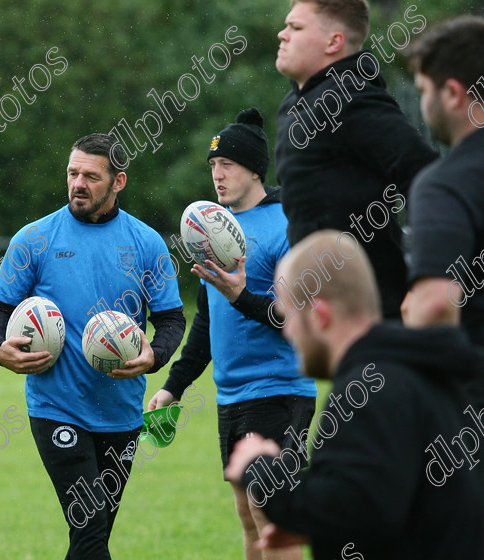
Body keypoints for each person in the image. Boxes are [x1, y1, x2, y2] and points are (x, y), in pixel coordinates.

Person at [0, 133, 185, 559]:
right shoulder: (35, 239)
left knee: (93, 537)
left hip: (122, 413)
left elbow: (171, 318)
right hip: (57, 408)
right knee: (90, 528)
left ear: (118, 182)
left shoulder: (147, 243)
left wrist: (155, 355)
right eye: (73, 173)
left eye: (91, 176)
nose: (78, 183)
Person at [225, 230, 484, 560]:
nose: (287, 331)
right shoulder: (423, 373)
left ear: (319, 316)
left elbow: (350, 506)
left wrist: (260, 468)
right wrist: (313, 527)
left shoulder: (370, 390)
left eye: (290, 316)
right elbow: (391, 505)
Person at [150, 108, 316, 560]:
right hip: (233, 397)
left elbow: (296, 317)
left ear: (255, 169)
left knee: (272, 516)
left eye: (228, 165)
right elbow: (207, 322)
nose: (217, 175)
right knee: (247, 514)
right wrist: (174, 386)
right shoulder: (213, 230)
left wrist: (243, 295)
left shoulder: (287, 225)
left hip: (280, 390)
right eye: (213, 166)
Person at [274, 0, 438, 319]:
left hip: (376, 311)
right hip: (329, 312)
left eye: (296, 27)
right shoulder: (296, 102)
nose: (282, 34)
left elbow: (428, 177)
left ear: (333, 42)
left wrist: (426, 277)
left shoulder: (352, 97)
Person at [401, 16, 484, 346]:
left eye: (423, 90)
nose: (422, 104)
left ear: (452, 93)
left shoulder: (445, 184)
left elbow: (435, 306)